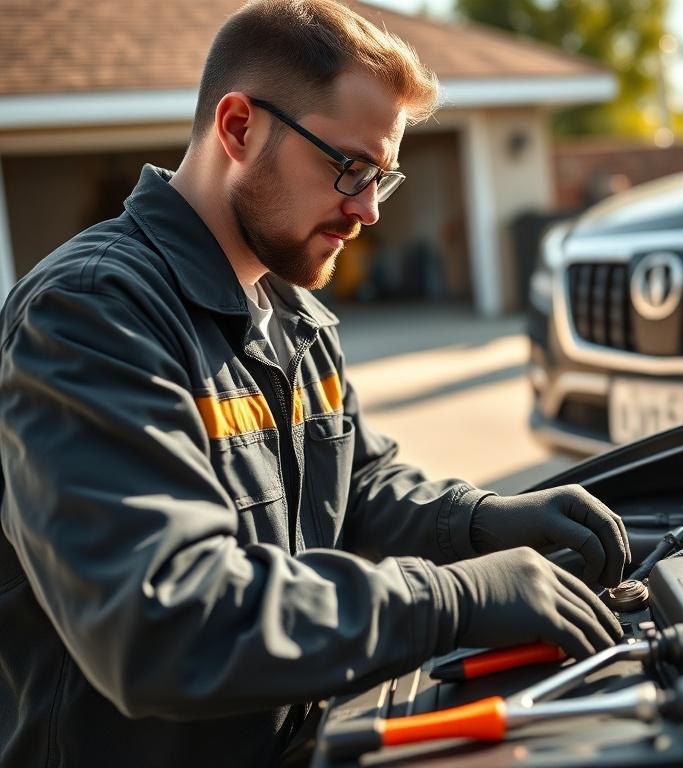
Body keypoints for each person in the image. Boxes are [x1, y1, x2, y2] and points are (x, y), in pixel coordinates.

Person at [0, 2, 631, 766]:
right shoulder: (91, 315)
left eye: (382, 178)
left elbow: (356, 488)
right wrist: (454, 599)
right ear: (238, 128)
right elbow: (162, 620)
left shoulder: (294, 313)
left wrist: (478, 523)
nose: (367, 209)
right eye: (349, 168)